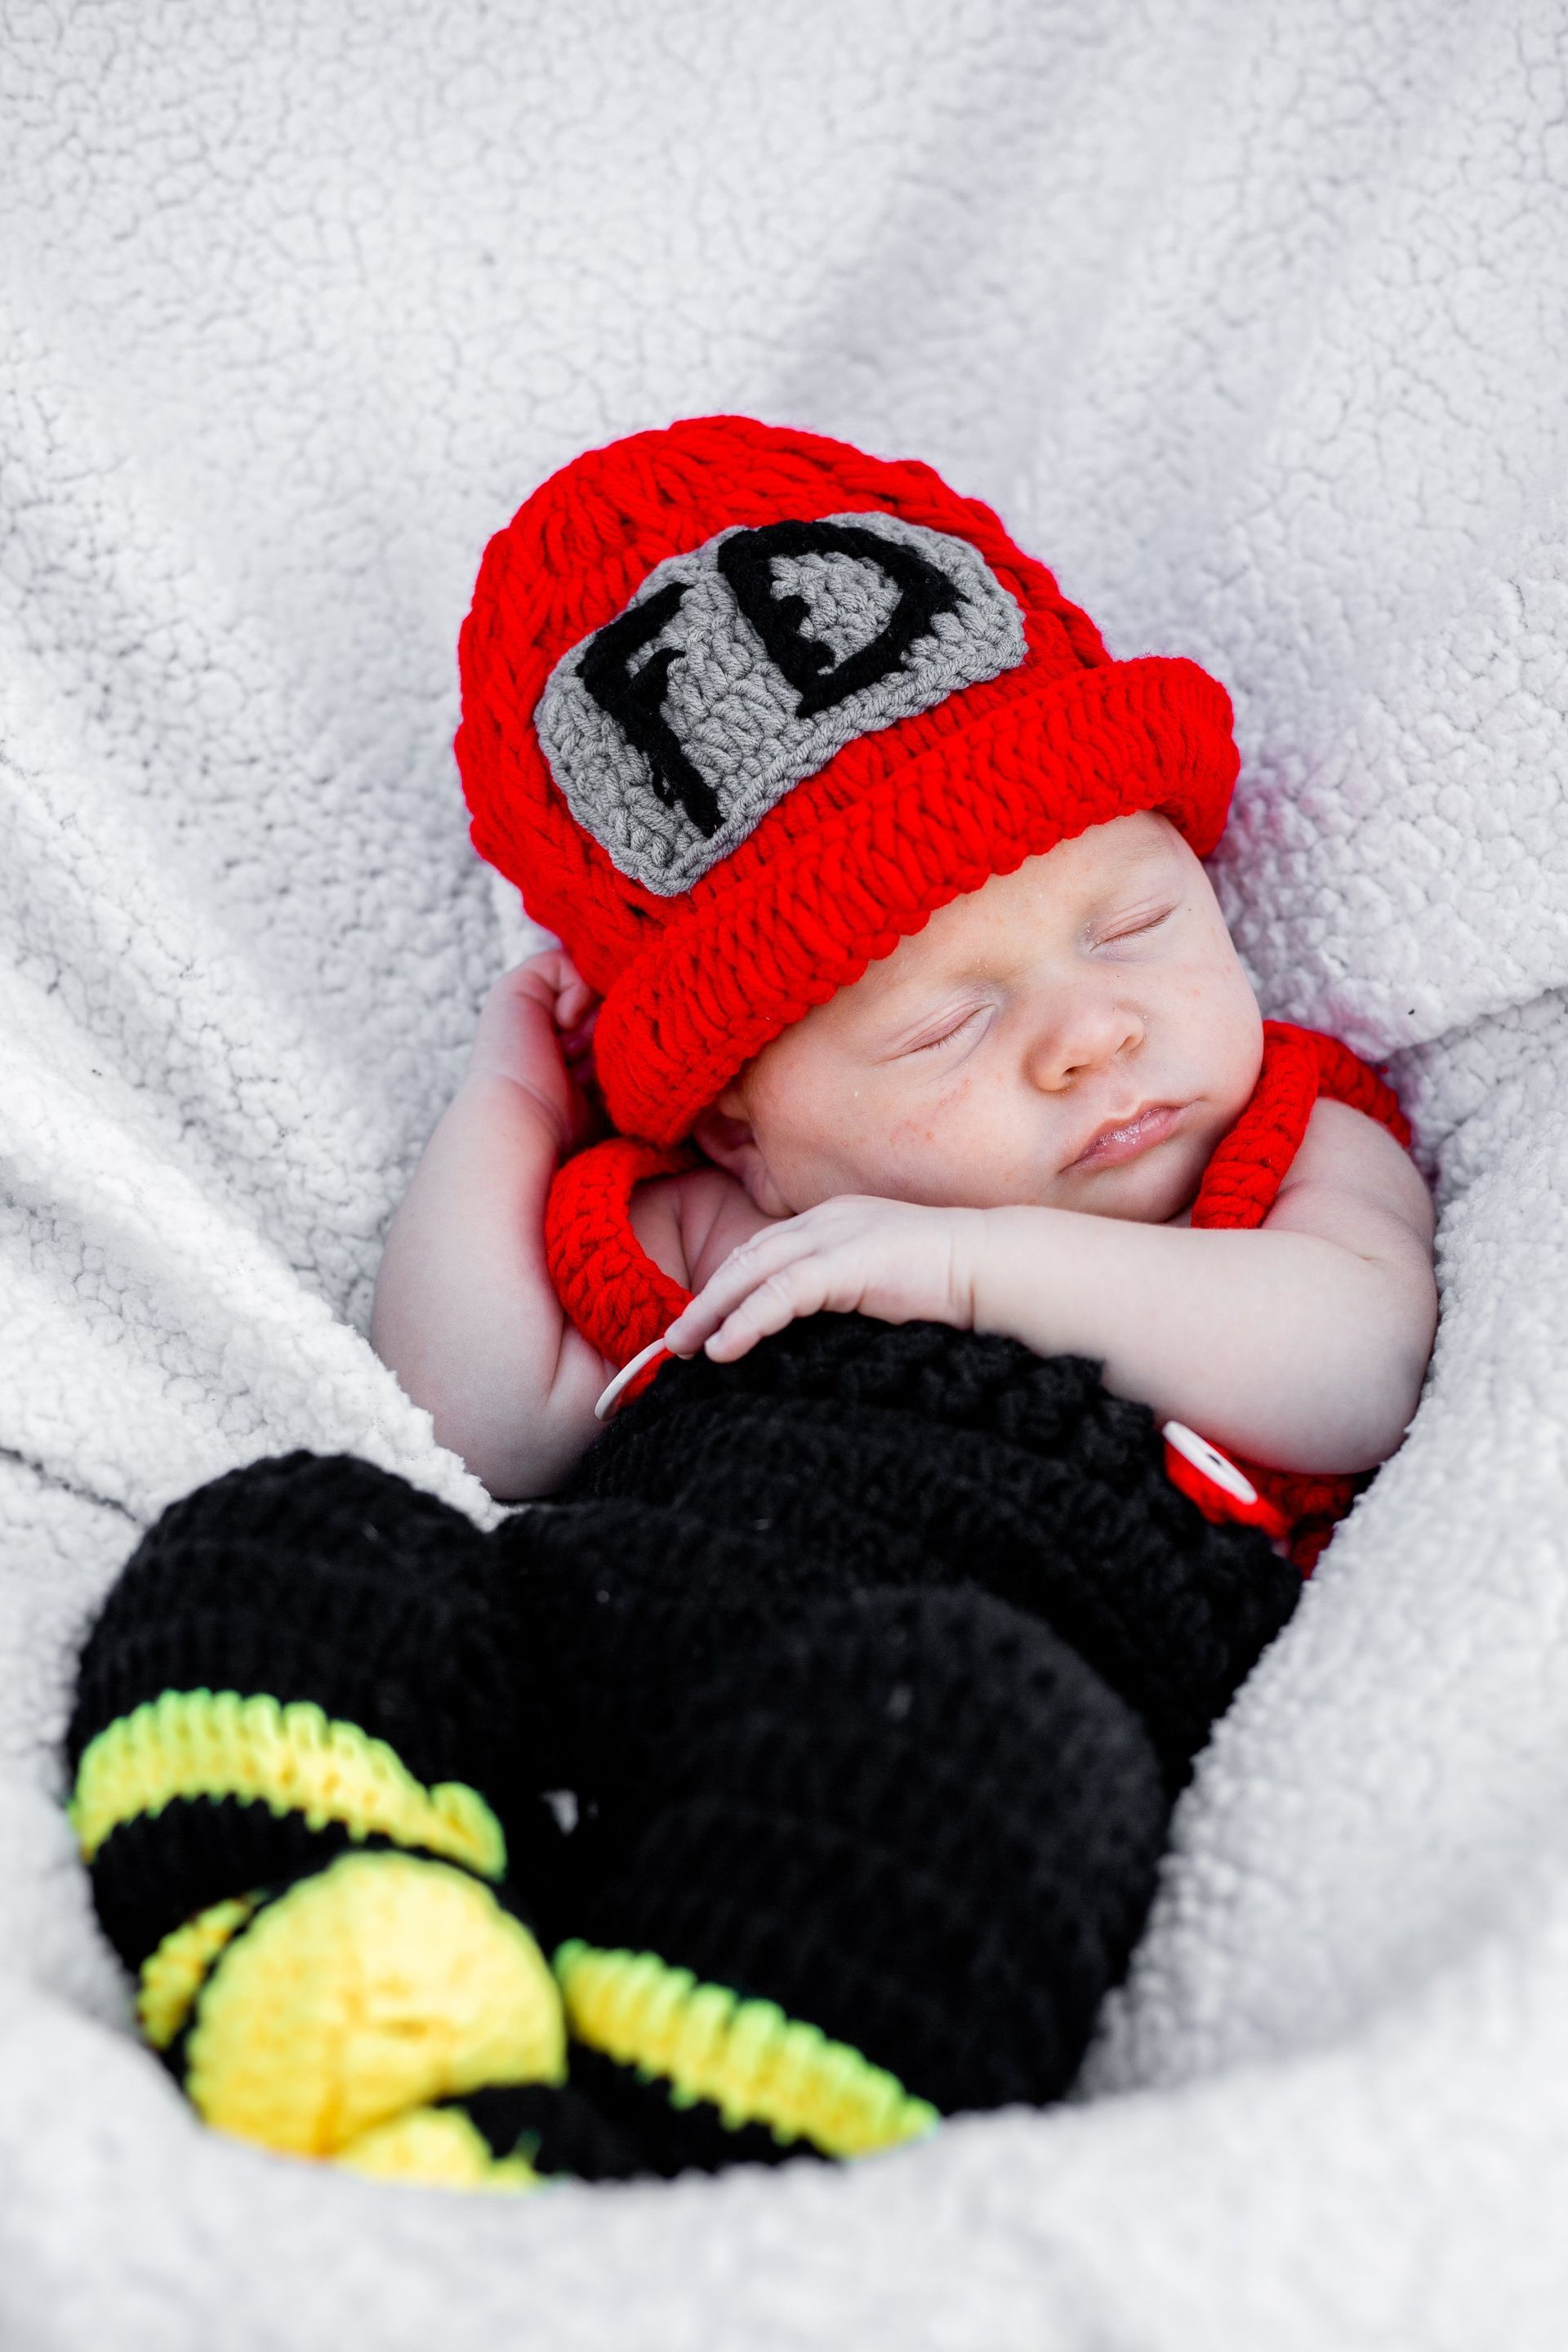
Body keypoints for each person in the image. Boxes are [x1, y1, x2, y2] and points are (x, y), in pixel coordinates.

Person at [65, 416, 1436, 2193]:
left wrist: (975, 1270)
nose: (1091, 1032)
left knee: (970, 1748)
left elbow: (1361, 1364)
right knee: (290, 1536)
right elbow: (477, 1420)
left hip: (951, 1698)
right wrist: (509, 1112)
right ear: (742, 1118)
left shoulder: (1283, 1154)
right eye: (943, 1023)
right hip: (600, 1624)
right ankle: (347, 1966)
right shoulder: (737, 1216)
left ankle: (646, 2159)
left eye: (1134, 921)